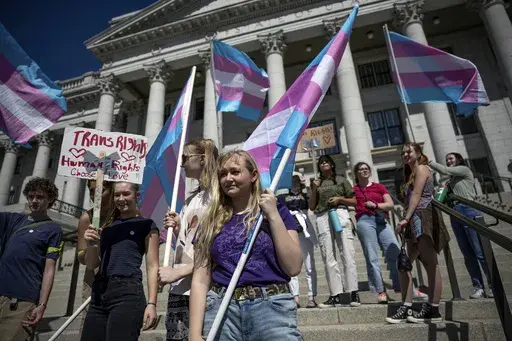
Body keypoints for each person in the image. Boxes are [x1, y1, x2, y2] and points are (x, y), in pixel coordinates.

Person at [189, 150, 303, 341]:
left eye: (235, 171)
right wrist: (194, 334)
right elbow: (200, 280)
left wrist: (273, 215)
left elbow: (293, 266)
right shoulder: (210, 220)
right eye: (223, 174)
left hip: (272, 310)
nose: (228, 178)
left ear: (254, 175)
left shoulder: (278, 211)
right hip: (222, 310)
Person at [80, 181, 159, 341]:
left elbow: (152, 266)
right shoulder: (106, 228)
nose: (121, 198)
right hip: (99, 293)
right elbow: (92, 264)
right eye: (117, 194)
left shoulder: (146, 225)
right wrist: (91, 246)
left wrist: (152, 303)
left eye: (126, 194)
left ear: (137, 195)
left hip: (127, 292)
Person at [158, 138, 218, 341]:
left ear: (202, 159)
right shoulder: (191, 199)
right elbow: (189, 243)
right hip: (180, 286)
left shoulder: (218, 196)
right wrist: (177, 229)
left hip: (204, 287)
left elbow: (216, 246)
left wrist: (179, 271)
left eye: (185, 157)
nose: (181, 163)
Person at [386, 143, 450, 324]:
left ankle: (433, 308)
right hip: (412, 220)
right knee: (403, 264)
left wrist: (405, 218)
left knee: (430, 263)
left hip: (423, 216)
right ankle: (406, 306)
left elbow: (417, 194)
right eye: (403, 153)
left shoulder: (422, 168)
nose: (405, 155)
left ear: (418, 153)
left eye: (409, 151)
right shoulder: (410, 173)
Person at [0, 177, 63, 341]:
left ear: (50, 199)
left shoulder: (54, 230)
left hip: (22, 301)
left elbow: (49, 269)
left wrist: (42, 305)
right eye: (31, 196)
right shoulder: (13, 220)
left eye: (40, 197)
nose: (34, 201)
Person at [430, 152, 493, 299]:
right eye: (447, 159)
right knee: (467, 253)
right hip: (455, 212)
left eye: (451, 158)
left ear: (458, 159)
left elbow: (445, 170)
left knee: (479, 251)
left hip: (469, 209)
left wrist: (429, 162)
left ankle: (492, 285)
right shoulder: (450, 180)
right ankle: (478, 287)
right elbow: (443, 195)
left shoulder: (464, 170)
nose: (448, 161)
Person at [309, 155, 359, 308]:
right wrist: (313, 189)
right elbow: (311, 206)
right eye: (321, 162)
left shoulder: (341, 180)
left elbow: (354, 201)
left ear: (331, 164)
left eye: (326, 161)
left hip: (340, 213)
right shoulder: (316, 183)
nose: (323, 164)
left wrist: (340, 199)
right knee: (328, 256)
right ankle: (335, 294)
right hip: (323, 216)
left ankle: (353, 293)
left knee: (347, 253)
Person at [352, 162, 400, 304]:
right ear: (356, 173)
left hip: (381, 220)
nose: (364, 171)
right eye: (361, 169)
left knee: (394, 251)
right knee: (372, 257)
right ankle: (380, 291)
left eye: (366, 169)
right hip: (364, 221)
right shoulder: (354, 190)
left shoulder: (378, 186)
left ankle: (402, 285)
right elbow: (349, 203)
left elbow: (390, 204)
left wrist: (376, 205)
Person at [76, 180, 113, 338]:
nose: (95, 196)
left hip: (117, 275)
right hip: (93, 278)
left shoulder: (122, 215)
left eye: (101, 191)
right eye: (92, 191)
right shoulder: (87, 217)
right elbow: (81, 256)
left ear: (111, 191)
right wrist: (91, 246)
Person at [278, 172, 318, 308]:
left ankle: (312, 296)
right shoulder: (283, 196)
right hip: (291, 230)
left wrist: (310, 186)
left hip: (305, 230)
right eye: (292, 179)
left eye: (297, 179)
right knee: (291, 263)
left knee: (309, 265)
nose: (294, 182)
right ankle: (295, 296)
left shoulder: (306, 195)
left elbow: (313, 203)